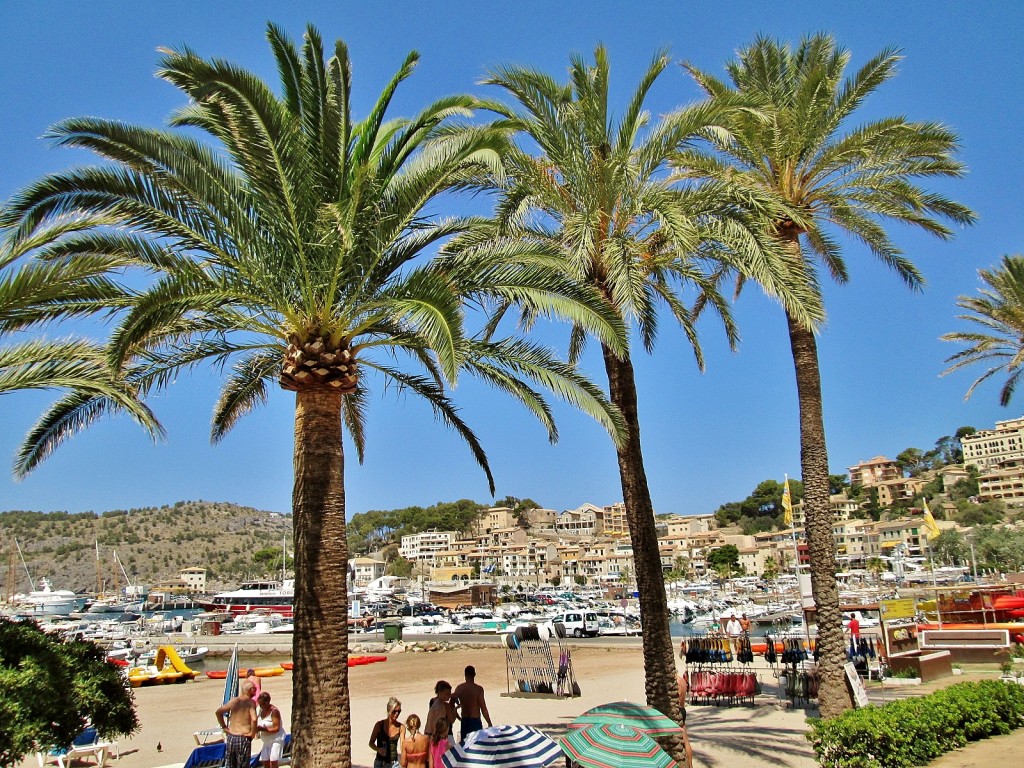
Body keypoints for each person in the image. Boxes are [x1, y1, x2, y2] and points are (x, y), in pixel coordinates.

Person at [215, 681, 258, 768]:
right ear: (250, 690)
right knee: (243, 764)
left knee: (231, 764)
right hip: (243, 737)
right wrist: (252, 733)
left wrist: (224, 727)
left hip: (231, 737)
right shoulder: (250, 702)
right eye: (255, 689)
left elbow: (218, 712)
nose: (256, 691)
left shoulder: (234, 701)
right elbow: (254, 719)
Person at [451, 665, 491, 743]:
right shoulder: (478, 689)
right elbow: (483, 708)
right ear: (474, 674)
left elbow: (451, 701)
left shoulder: (460, 688)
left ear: (465, 675)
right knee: (477, 745)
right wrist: (489, 722)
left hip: (465, 721)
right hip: (475, 721)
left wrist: (457, 714)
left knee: (465, 745)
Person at [369, 697, 404, 768]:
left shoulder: (401, 727)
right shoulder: (379, 725)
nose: (397, 713)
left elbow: (403, 746)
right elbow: (371, 743)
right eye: (394, 711)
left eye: (399, 711)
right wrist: (378, 750)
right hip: (380, 762)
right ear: (389, 710)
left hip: (394, 763)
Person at [255, 691, 287, 768]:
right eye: (260, 704)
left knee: (273, 760)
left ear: (267, 702)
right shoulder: (260, 710)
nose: (261, 706)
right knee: (265, 760)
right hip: (266, 740)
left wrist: (263, 729)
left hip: (276, 739)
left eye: (262, 704)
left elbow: (276, 728)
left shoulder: (274, 711)